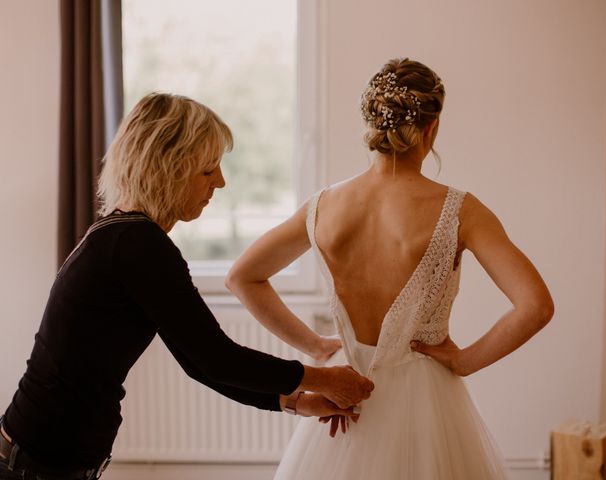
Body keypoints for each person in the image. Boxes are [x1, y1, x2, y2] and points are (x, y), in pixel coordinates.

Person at [0, 93, 374, 480]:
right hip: (39, 462)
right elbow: (217, 358)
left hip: (42, 453)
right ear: (169, 167)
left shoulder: (123, 233)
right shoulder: (138, 244)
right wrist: (324, 378)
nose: (221, 182)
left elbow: (200, 364)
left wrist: (299, 402)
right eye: (208, 170)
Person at [225, 58, 554, 479]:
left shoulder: (324, 206)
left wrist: (316, 346)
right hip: (428, 401)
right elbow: (536, 306)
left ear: (371, 125)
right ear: (432, 128)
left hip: (346, 393)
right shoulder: (460, 210)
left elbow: (242, 277)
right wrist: (465, 361)